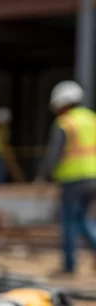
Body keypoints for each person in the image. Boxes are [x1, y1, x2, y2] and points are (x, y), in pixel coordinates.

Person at [37, 81, 96, 275]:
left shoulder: (65, 122)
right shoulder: (92, 119)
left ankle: (69, 266)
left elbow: (54, 153)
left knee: (69, 221)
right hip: (93, 177)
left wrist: (44, 175)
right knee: (82, 218)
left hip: (73, 179)